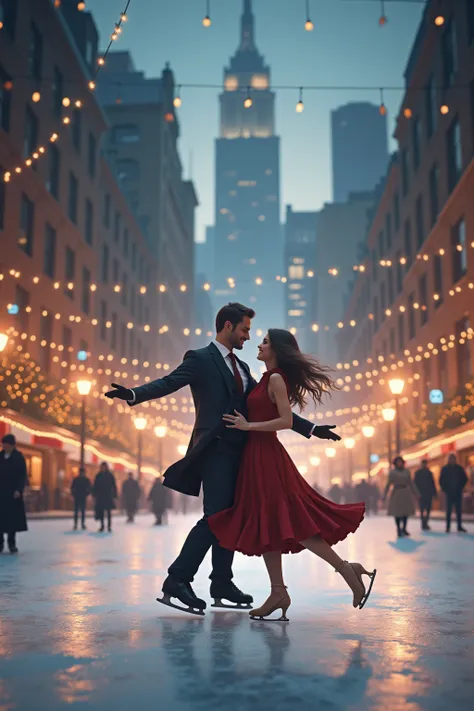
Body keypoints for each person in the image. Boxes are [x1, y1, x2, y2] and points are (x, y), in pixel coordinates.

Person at [106, 303, 341, 615]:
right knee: (216, 516)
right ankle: (177, 579)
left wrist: (311, 428)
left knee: (229, 515)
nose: (248, 337)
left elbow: (269, 408)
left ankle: (221, 582)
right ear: (228, 326)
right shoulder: (200, 358)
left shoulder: (243, 368)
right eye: (244, 330)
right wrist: (134, 395)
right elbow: (169, 382)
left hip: (240, 452)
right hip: (214, 449)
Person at [208, 329, 375, 621]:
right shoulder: (264, 378)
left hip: (268, 457)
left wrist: (248, 427)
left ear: (277, 350)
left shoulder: (275, 379)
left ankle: (347, 569)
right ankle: (278, 592)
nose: (258, 345)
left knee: (293, 522)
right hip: (255, 459)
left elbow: (284, 420)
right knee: (269, 524)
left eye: (265, 342)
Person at [0, 434, 28, 554]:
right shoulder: (0, 456)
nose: (4, 446)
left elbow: (22, 475)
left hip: (13, 493)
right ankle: (0, 543)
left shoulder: (18, 457)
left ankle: (12, 543)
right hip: (1, 493)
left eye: (6, 444)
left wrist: (19, 489)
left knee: (12, 520)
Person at [383, 457, 419, 537]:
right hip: (396, 493)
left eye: (401, 462)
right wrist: (384, 495)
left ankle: (404, 528)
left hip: (405, 493)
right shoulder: (392, 473)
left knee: (406, 512)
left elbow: (411, 483)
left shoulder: (406, 471)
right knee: (397, 512)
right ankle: (398, 528)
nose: (399, 463)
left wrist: (416, 493)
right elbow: (388, 484)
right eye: (398, 462)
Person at [439, 453, 468, 533]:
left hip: (458, 492)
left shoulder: (459, 468)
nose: (452, 460)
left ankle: (459, 526)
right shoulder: (445, 469)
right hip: (449, 493)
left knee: (459, 510)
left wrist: (461, 487)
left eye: (453, 459)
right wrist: (445, 489)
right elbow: (441, 480)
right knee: (448, 510)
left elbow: (465, 478)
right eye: (450, 459)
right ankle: (448, 527)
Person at [92, 462, 117, 533]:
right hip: (100, 496)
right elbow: (95, 486)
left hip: (108, 495)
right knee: (101, 512)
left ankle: (109, 526)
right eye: (102, 467)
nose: (103, 468)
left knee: (109, 512)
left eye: (104, 467)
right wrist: (94, 494)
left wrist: (114, 495)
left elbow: (114, 486)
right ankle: (102, 526)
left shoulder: (110, 475)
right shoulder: (98, 475)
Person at [414, 459, 437, 531]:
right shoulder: (417, 473)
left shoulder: (429, 473)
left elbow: (433, 483)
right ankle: (423, 522)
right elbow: (415, 484)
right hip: (420, 494)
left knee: (428, 509)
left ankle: (425, 522)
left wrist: (434, 493)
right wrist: (416, 493)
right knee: (422, 509)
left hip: (428, 493)